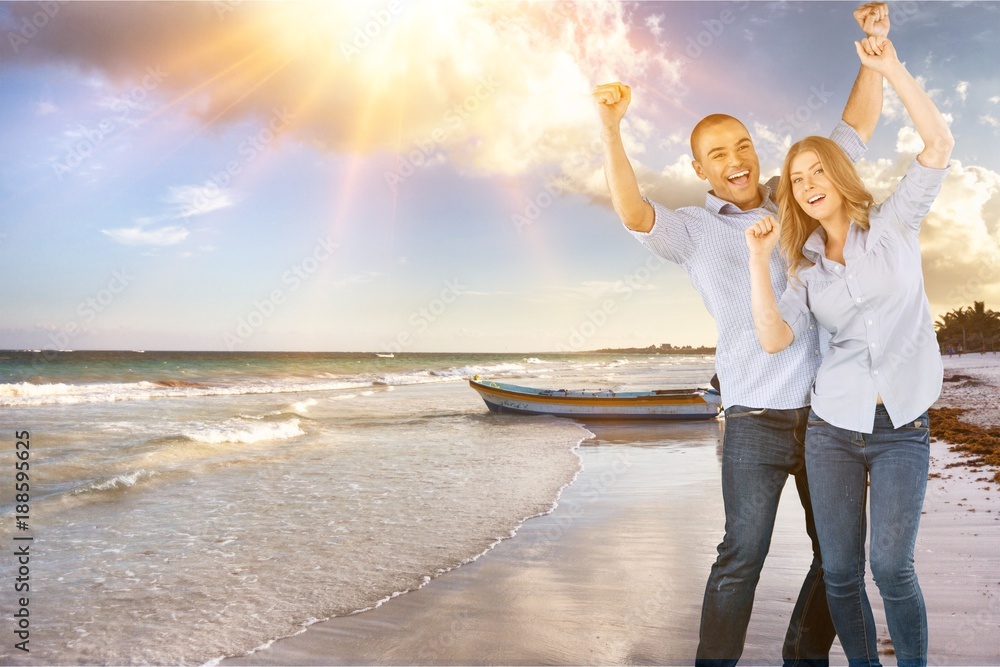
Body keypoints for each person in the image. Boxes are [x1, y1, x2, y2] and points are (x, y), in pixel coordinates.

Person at [593, 5, 889, 665]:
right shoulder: (694, 233)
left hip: (832, 418)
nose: (736, 159)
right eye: (717, 153)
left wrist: (874, 53)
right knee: (740, 556)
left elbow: (855, 131)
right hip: (754, 418)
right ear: (702, 170)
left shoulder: (801, 196)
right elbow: (632, 209)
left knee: (840, 557)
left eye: (743, 144)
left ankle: (804, 655)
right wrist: (611, 129)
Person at [744, 34, 953, 667]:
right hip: (831, 430)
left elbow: (938, 146)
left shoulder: (894, 225)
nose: (806, 185)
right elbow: (774, 338)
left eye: (816, 171)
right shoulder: (802, 270)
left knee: (891, 568)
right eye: (795, 179)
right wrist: (759, 260)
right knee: (839, 573)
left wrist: (888, 68)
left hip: (901, 426)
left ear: (838, 174)